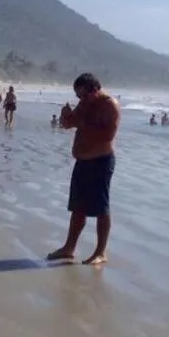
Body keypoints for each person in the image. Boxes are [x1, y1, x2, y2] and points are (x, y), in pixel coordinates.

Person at [48, 73, 120, 266]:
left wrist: (83, 123)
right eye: (78, 97)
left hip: (101, 161)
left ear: (95, 90)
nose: (81, 100)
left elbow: (107, 135)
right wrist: (66, 116)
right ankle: (69, 248)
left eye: (84, 96)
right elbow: (69, 124)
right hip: (82, 161)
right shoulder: (85, 103)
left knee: (101, 207)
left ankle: (100, 252)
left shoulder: (108, 105)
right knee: (77, 207)